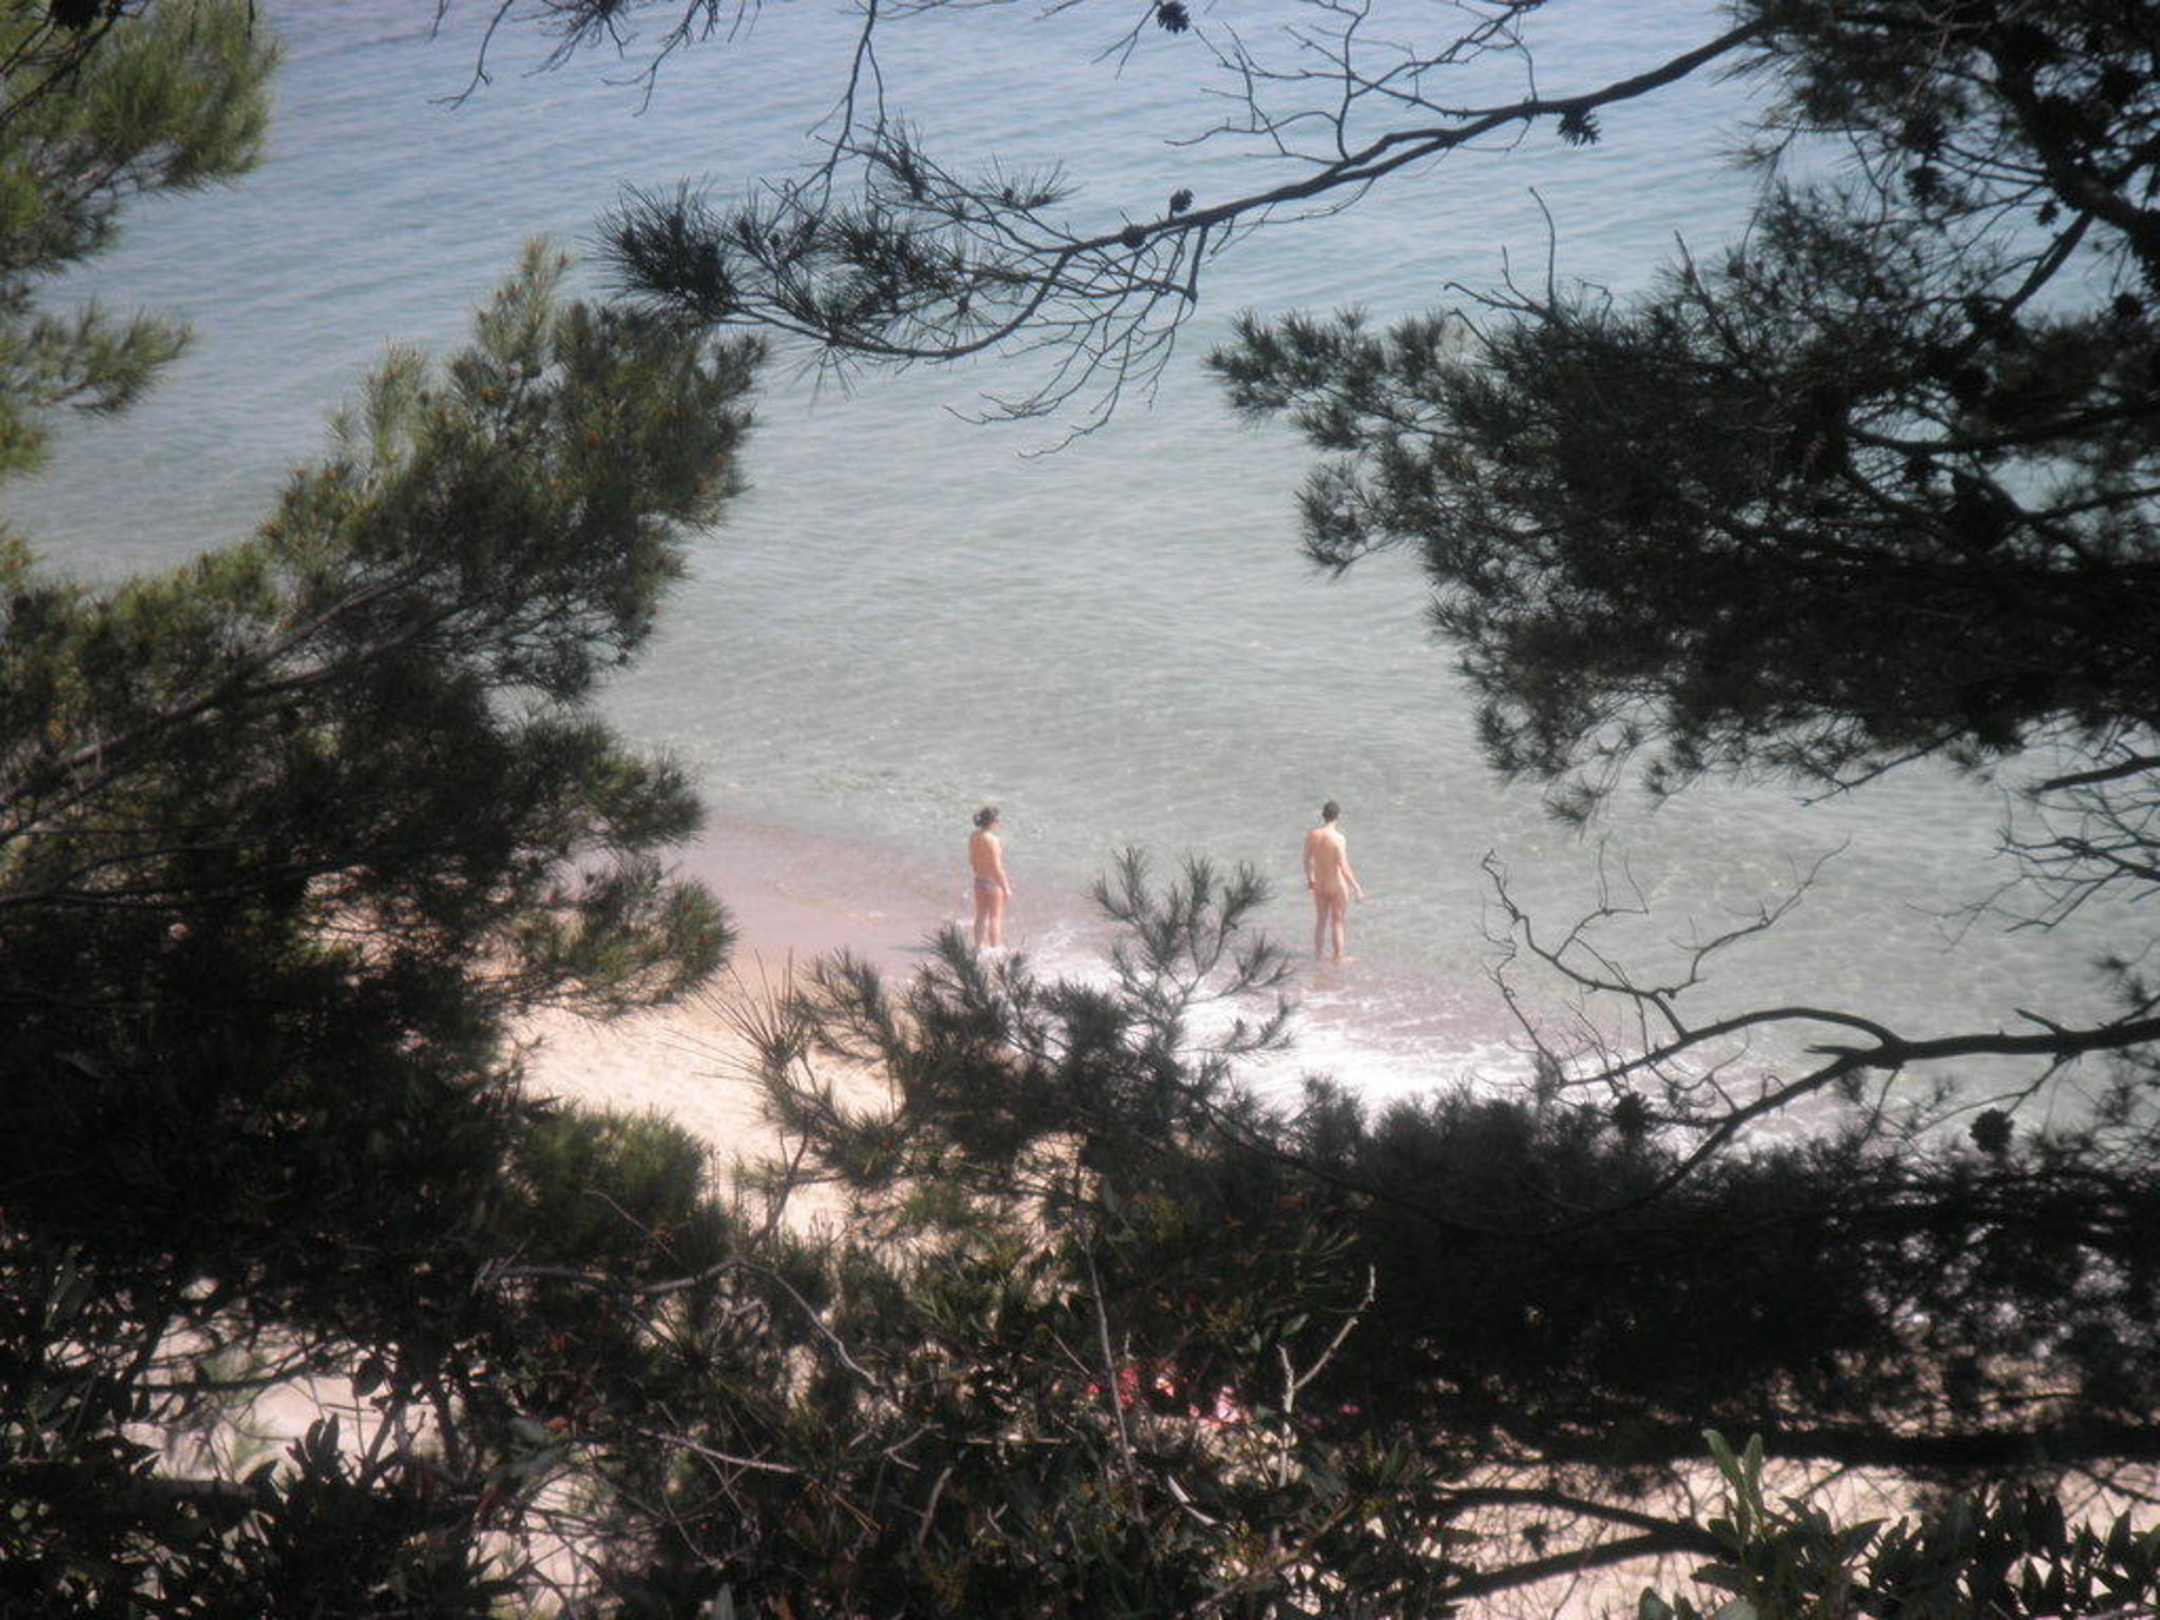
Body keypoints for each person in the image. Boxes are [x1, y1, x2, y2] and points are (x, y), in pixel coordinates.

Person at [1302, 799, 1365, 963]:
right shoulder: (1339, 838)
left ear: (1323, 815)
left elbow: (1306, 859)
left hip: (1319, 884)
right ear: (1338, 816)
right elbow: (1343, 866)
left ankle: (1318, 956)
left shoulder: (1313, 835)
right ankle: (1338, 958)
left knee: (1320, 921)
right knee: (1337, 923)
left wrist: (1310, 878)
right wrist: (1357, 887)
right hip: (1336, 885)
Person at [969, 805, 1012, 950]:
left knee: (980, 916)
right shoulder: (992, 840)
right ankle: (995, 950)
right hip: (993, 883)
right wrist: (1006, 887)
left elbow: (972, 859)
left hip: (979, 880)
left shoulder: (974, 836)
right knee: (995, 918)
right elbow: (996, 866)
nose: (999, 823)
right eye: (997, 820)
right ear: (993, 821)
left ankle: (977, 948)